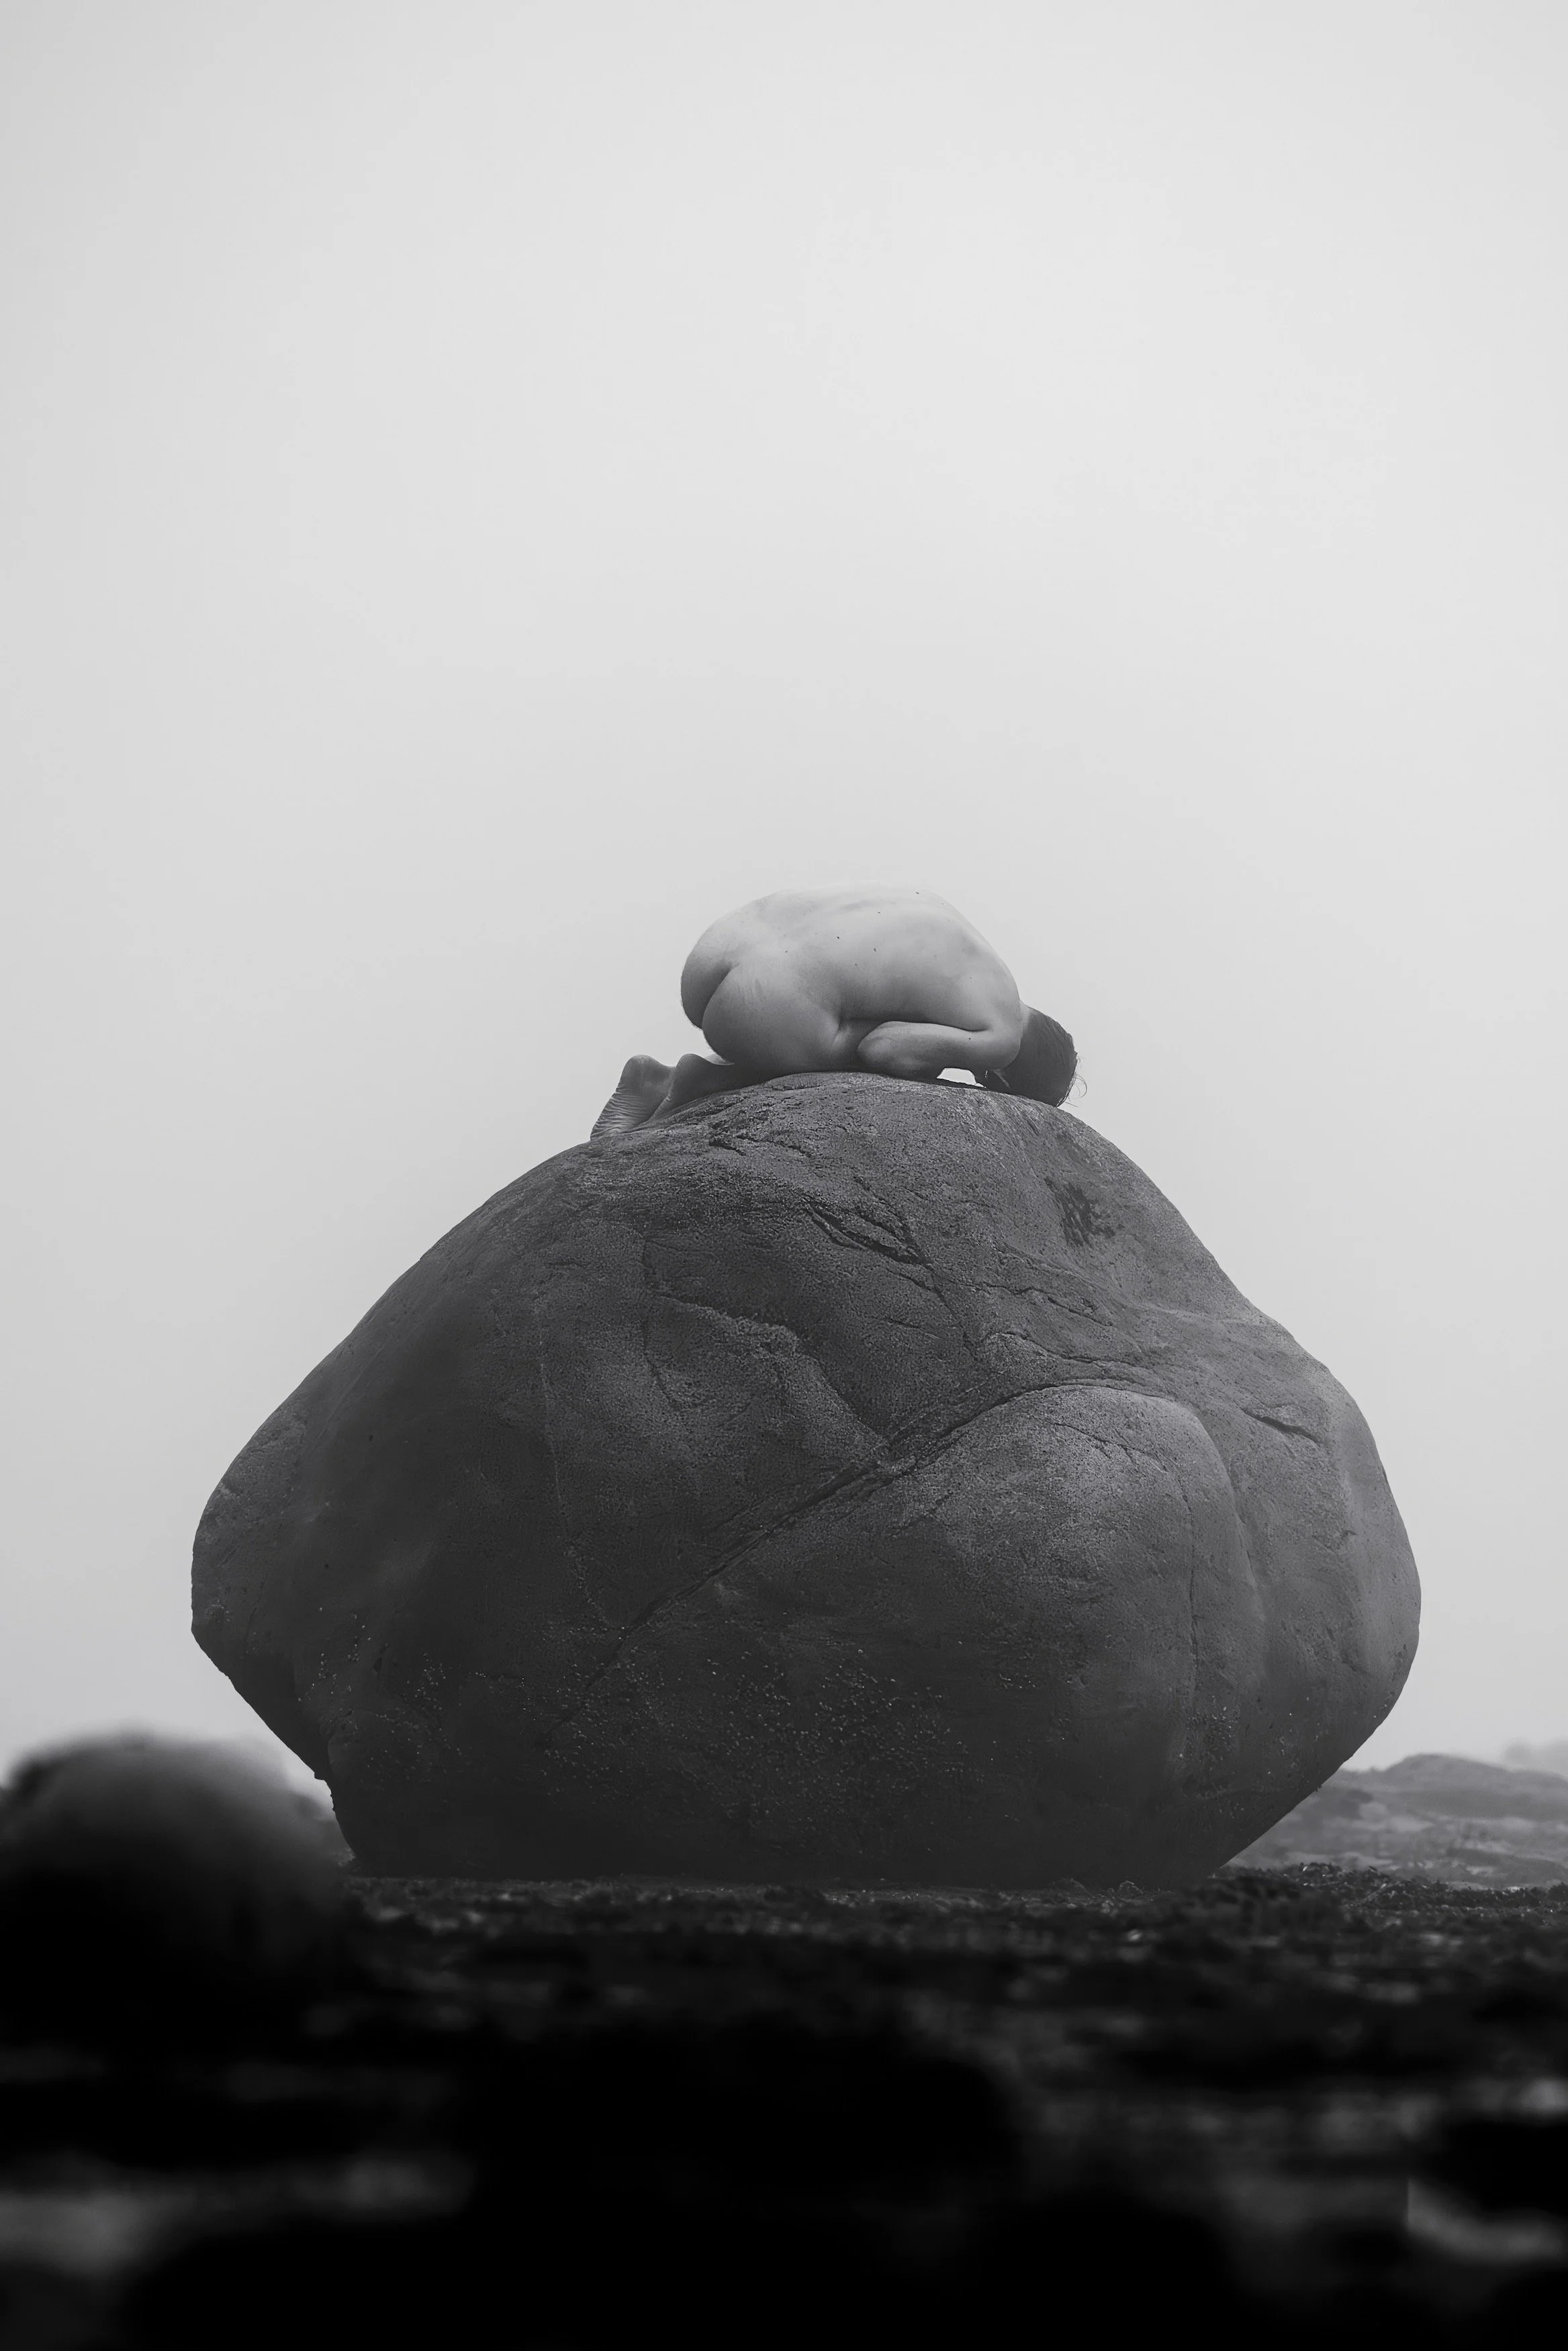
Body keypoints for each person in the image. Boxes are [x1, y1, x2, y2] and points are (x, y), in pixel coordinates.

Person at [593, 886, 1076, 1137]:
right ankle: (692, 1079)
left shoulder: (982, 958)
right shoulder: (1002, 1034)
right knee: (894, 1059)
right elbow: (884, 1049)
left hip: (717, 950)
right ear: (1008, 1080)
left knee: (861, 1006)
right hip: (759, 1004)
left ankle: (665, 1078)